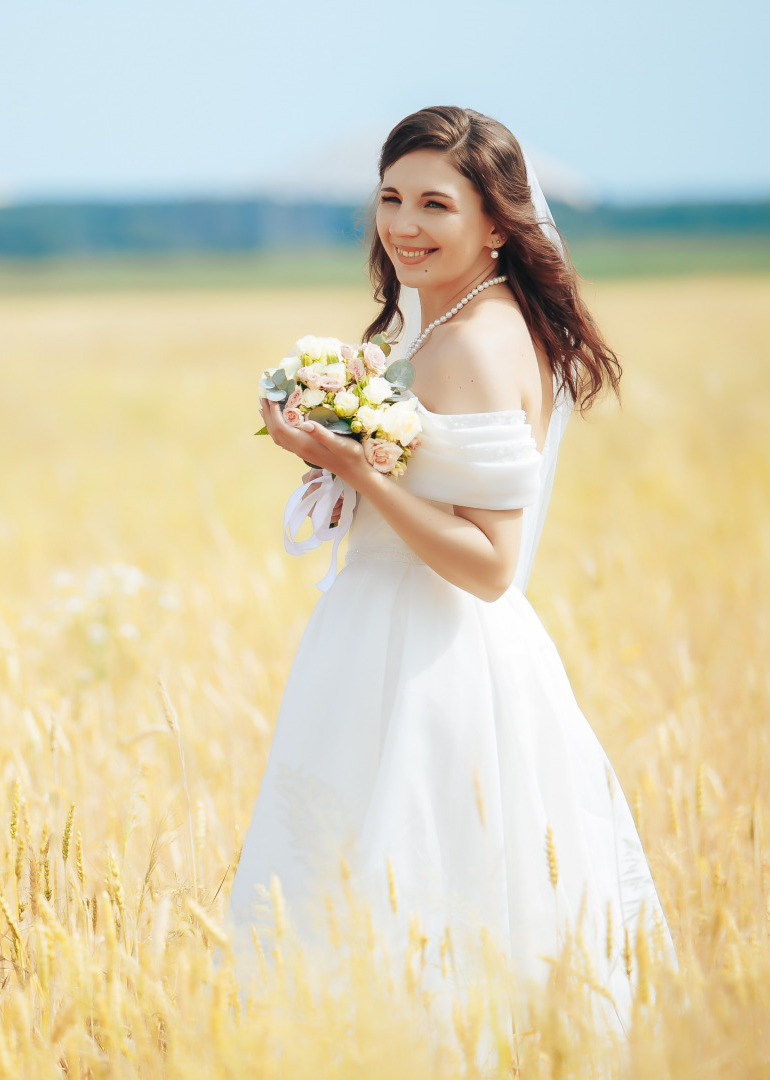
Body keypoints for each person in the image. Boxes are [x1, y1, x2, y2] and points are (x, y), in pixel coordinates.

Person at [233, 106, 672, 1030]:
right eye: (391, 197)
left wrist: (359, 469)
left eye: (437, 203)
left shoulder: (472, 340)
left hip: (431, 654)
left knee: (414, 899)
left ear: (496, 221)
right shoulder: (449, 323)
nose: (404, 224)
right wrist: (340, 460)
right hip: (393, 634)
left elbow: (488, 564)